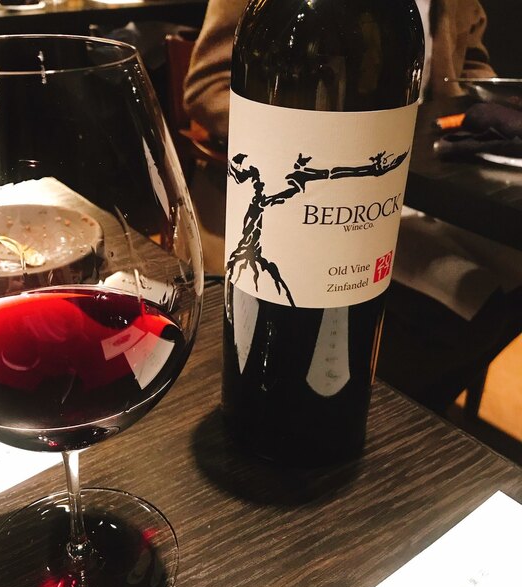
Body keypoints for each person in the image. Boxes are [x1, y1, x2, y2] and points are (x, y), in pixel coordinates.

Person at [182, 0, 522, 414]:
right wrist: (311, 147)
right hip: (291, 210)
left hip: (397, 190)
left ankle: (408, 413)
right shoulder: (273, 9)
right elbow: (206, 86)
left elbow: (475, 69)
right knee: (476, 300)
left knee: (509, 285)